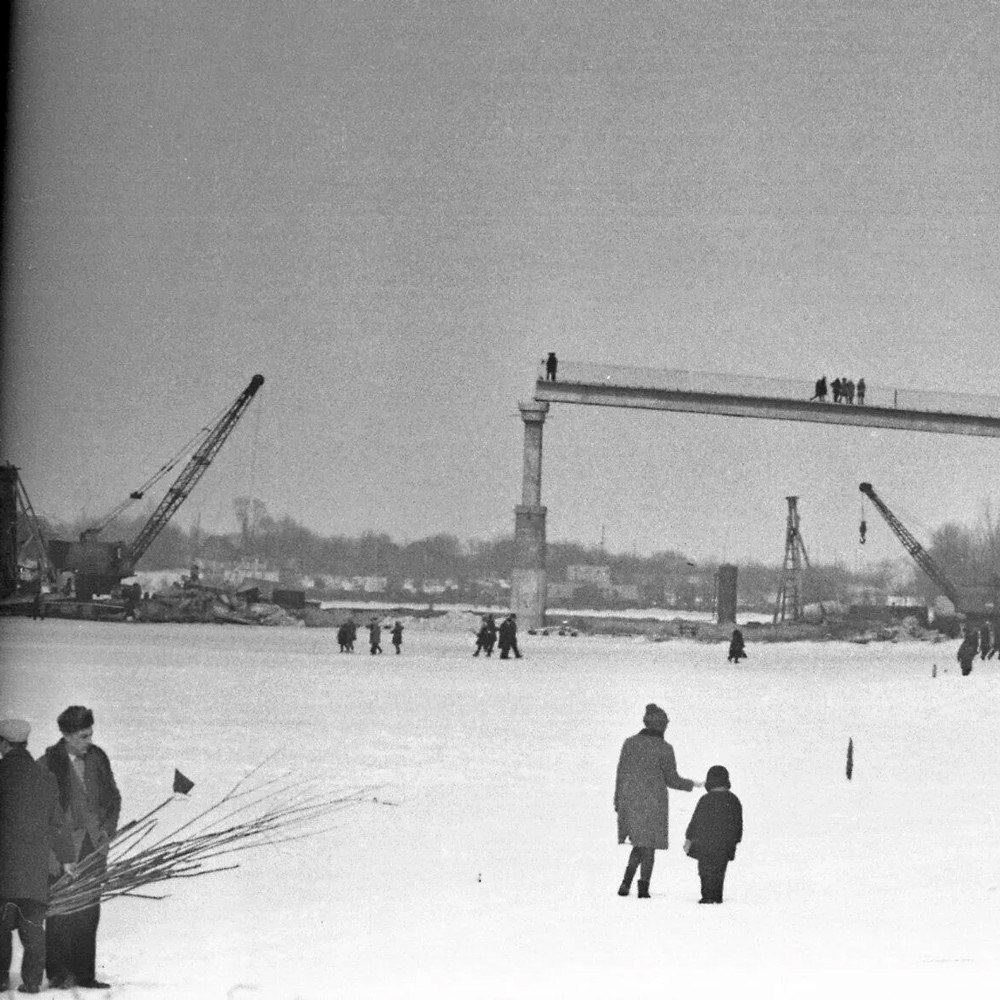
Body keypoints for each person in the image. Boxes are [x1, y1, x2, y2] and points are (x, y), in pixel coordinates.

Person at [41, 706, 121, 991]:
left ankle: (85, 974)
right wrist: (53, 856)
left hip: (93, 847)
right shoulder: (48, 764)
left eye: (90, 734)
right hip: (62, 850)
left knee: (89, 909)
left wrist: (106, 832)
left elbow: (113, 799)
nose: (89, 741)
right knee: (60, 911)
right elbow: (40, 816)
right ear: (66, 736)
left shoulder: (98, 757)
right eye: (83, 736)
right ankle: (59, 974)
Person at [0, 719, 75, 994]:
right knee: (33, 927)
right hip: (34, 871)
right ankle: (32, 982)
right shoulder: (45, 777)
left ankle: (0, 979)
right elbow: (58, 823)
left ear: (4, 744)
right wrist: (67, 859)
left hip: (2, 870)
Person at [614, 704, 700, 899]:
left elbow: (621, 774)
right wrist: (692, 784)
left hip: (631, 802)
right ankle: (643, 887)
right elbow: (672, 780)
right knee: (648, 846)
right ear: (661, 725)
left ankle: (626, 882)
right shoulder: (664, 748)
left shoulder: (629, 744)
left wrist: (618, 802)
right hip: (654, 803)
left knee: (639, 844)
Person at [684, 764, 743, 904]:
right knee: (719, 871)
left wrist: (689, 839)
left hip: (705, 844)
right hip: (724, 845)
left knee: (705, 870)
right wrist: (735, 840)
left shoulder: (705, 800)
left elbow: (695, 821)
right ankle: (716, 896)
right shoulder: (733, 800)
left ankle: (707, 896)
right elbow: (738, 823)